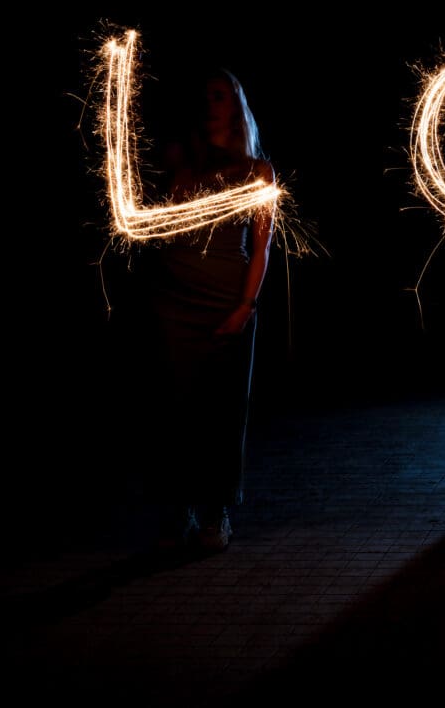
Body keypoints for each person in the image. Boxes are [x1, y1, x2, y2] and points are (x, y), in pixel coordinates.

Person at [148, 70, 276, 553]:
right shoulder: (177, 159)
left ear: (236, 105)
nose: (210, 104)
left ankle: (216, 511)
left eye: (220, 96)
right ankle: (178, 508)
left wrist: (245, 305)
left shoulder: (257, 170)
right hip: (175, 302)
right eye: (204, 96)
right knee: (177, 410)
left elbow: (262, 248)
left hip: (228, 301)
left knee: (223, 414)